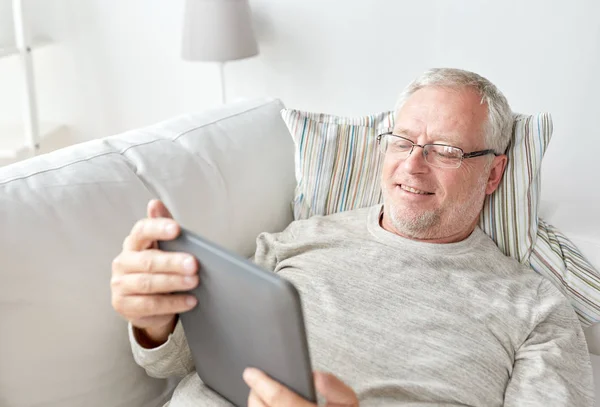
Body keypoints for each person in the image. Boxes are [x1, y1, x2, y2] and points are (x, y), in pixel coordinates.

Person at [111, 68, 594, 406]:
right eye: (403, 141)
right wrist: (155, 323)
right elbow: (178, 362)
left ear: (493, 175)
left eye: (445, 150)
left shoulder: (536, 310)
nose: (412, 164)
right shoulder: (299, 238)